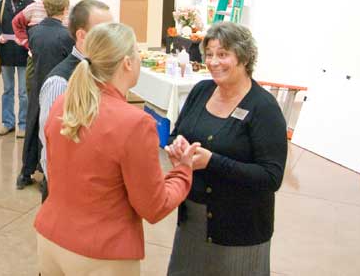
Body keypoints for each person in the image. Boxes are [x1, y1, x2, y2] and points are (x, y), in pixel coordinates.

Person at [34, 22, 199, 275]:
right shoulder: (134, 123)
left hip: (50, 239)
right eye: (137, 53)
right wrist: (182, 171)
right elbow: (154, 207)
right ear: (127, 63)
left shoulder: (63, 103)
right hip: (101, 251)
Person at [166, 22, 287, 276]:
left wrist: (212, 162)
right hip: (193, 222)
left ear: (243, 58)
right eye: (209, 54)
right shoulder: (201, 91)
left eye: (223, 54)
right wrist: (177, 146)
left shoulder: (263, 108)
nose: (213, 62)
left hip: (240, 229)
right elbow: (178, 133)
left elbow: (270, 178)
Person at [37, 0, 112, 199]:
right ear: (81, 35)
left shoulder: (106, 74)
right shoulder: (59, 82)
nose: (112, 38)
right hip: (67, 195)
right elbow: (50, 144)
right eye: (104, 31)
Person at [16, 0, 74, 190]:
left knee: (32, 126)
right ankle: (47, 175)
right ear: (65, 9)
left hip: (37, 83)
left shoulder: (35, 33)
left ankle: (25, 172)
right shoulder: (67, 36)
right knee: (51, 130)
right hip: (57, 89)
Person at [0, 0, 35, 137]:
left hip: (23, 54)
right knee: (7, 89)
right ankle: (7, 123)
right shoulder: (3, 4)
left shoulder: (31, 5)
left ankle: (23, 124)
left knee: (23, 92)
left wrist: (26, 40)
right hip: (6, 52)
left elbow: (35, 28)